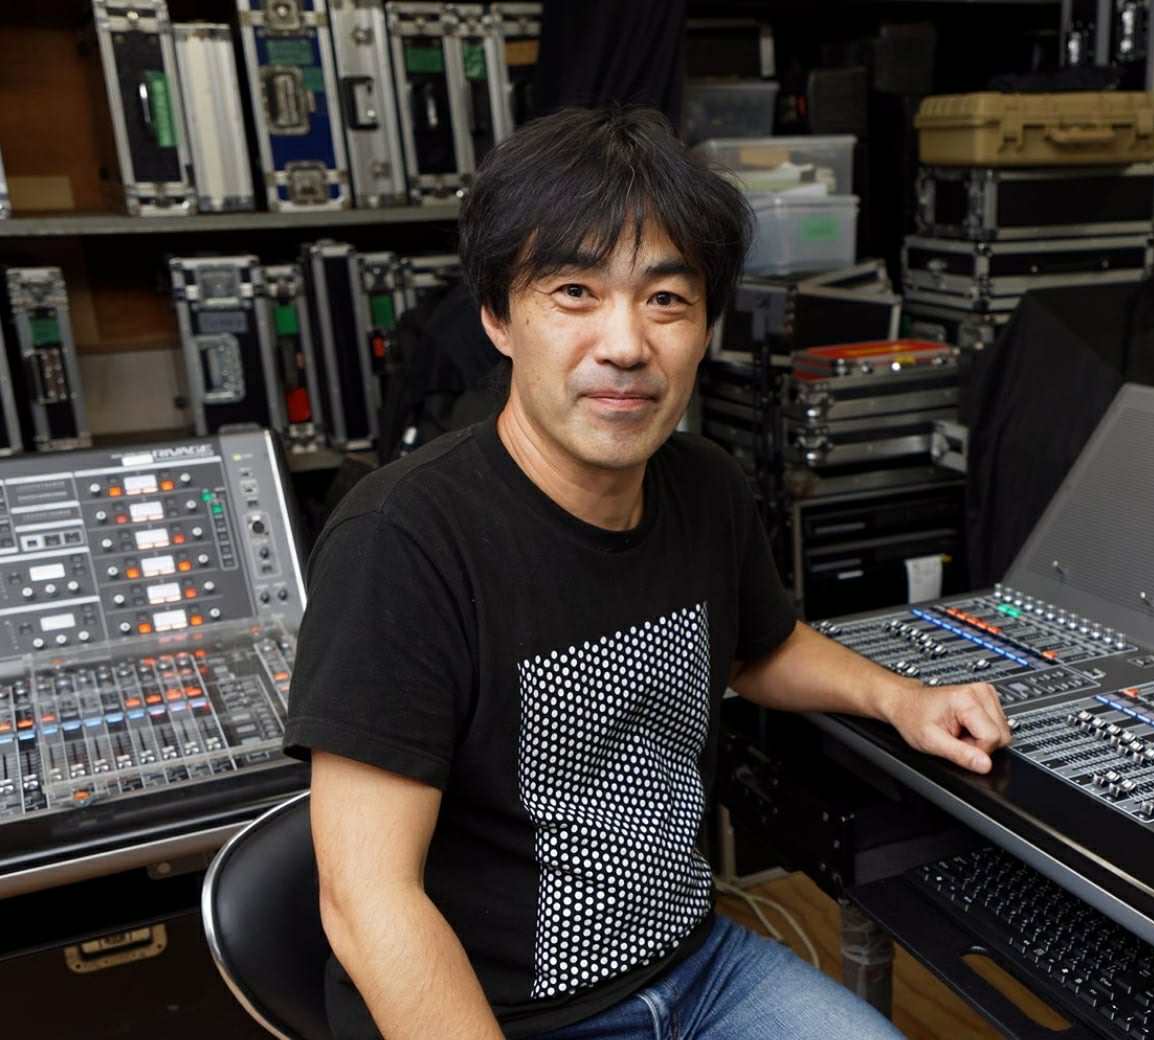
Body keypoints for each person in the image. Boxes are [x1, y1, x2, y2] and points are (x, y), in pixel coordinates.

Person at [284, 105, 1013, 1040]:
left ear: (705, 326)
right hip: (507, 1015)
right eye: (575, 292)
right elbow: (367, 901)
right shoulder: (401, 540)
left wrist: (901, 699)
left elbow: (758, 647)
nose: (627, 345)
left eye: (666, 299)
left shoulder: (703, 484)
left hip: (698, 969)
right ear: (498, 317)